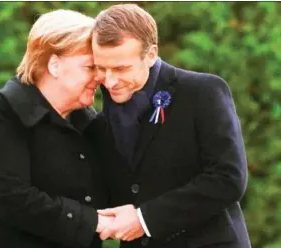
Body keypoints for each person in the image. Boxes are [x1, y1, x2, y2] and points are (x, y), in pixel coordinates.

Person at [90, 4, 252, 248]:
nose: (110, 81)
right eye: (101, 68)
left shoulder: (203, 92)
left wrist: (145, 219)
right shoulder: (98, 117)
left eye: (121, 68)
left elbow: (228, 179)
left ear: (151, 54)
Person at [0, 9, 112, 248]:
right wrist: (92, 222)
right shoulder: (7, 111)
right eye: (90, 67)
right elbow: (10, 197)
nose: (99, 77)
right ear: (54, 65)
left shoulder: (87, 120)